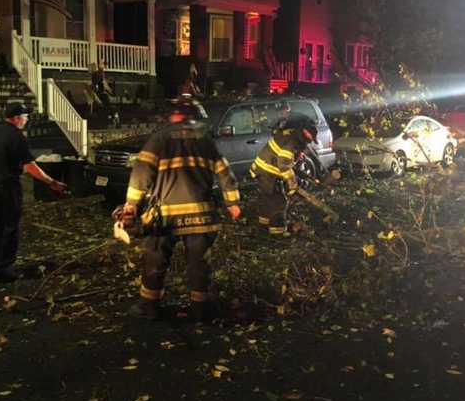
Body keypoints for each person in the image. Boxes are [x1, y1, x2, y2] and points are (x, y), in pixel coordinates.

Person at [113, 97, 241, 321]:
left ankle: (149, 308)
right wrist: (233, 203)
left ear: (172, 116)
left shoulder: (159, 139)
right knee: (199, 263)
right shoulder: (205, 140)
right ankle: (200, 310)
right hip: (201, 216)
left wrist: (131, 205)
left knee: (155, 259)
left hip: (166, 217)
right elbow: (225, 173)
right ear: (193, 116)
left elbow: (141, 173)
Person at [0, 103, 67, 282]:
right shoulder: (17, 137)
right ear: (17, 118)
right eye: (25, 117)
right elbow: (29, 166)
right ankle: (4, 270)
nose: (26, 121)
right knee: (11, 227)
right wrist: (52, 182)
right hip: (8, 187)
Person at [250, 114, 318, 236]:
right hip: (268, 172)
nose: (310, 141)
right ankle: (278, 232)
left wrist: (296, 155)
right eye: (310, 138)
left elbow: (283, 153)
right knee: (279, 202)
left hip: (261, 170)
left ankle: (263, 226)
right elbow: (284, 164)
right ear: (305, 132)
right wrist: (292, 184)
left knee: (267, 199)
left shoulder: (290, 134)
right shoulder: (293, 141)